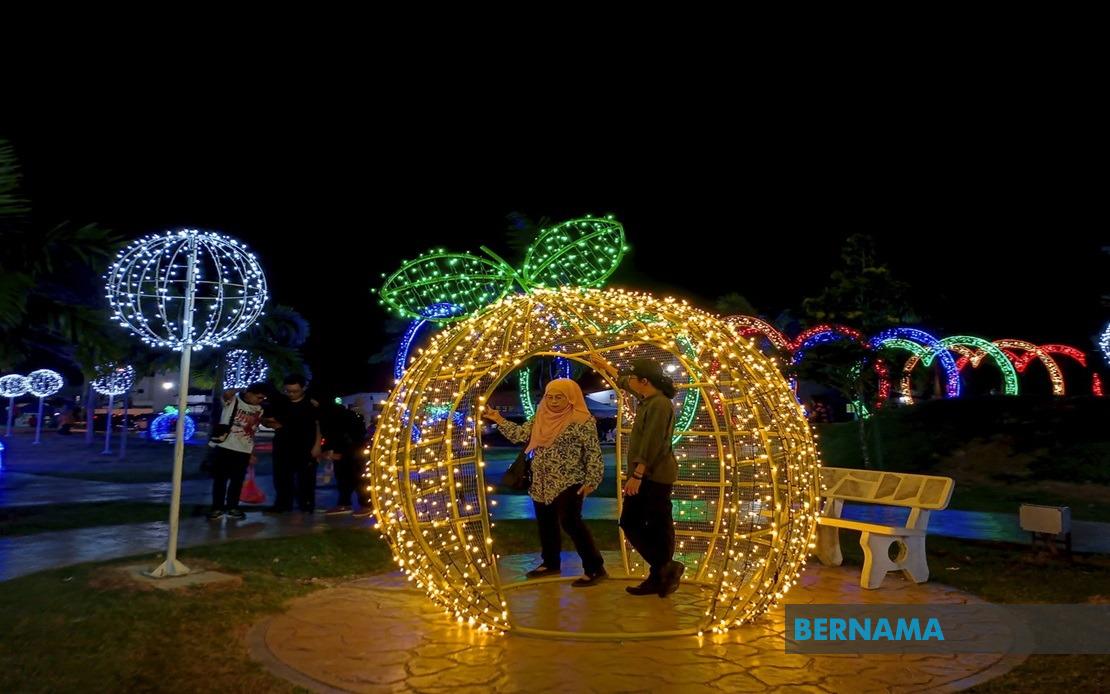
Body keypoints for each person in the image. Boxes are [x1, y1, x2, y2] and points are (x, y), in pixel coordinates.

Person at [482, 379, 607, 587]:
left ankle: (595, 568)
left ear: (570, 398)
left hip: (570, 480)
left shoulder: (582, 420)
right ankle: (550, 563)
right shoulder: (540, 417)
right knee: (546, 523)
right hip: (540, 480)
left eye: (560, 397)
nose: (554, 401)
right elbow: (520, 435)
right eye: (550, 397)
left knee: (571, 522)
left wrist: (592, 480)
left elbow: (593, 453)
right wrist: (497, 418)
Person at [588, 355, 683, 597]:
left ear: (644, 381)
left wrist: (638, 474)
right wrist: (603, 365)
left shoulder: (659, 405)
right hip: (648, 475)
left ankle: (664, 569)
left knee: (640, 523)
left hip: (654, 476)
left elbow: (653, 442)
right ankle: (661, 574)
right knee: (650, 525)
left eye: (633, 379)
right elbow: (623, 381)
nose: (628, 382)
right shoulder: (648, 399)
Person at [207, 383, 267, 520]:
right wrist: (241, 389)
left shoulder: (259, 409)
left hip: (244, 449)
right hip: (225, 445)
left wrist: (251, 452)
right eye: (258, 397)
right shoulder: (234, 400)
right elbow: (227, 394)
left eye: (263, 398)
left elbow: (253, 431)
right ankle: (217, 508)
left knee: (237, 480)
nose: (260, 400)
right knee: (220, 479)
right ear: (249, 393)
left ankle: (232, 507)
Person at [264, 375, 322, 513]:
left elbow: (318, 424)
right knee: (281, 477)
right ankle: (283, 504)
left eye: (295, 391)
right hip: (282, 445)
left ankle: (306, 504)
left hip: (306, 446)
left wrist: (317, 445)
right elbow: (266, 420)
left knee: (306, 478)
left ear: (303, 388)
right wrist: (270, 423)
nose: (291, 394)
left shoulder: (311, 403)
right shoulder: (280, 402)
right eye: (288, 391)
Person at [318, 396, 370, 515]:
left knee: (356, 476)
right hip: (349, 447)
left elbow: (335, 433)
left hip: (350, 448)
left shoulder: (332, 415)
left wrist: (332, 450)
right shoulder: (336, 413)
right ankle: (345, 503)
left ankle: (364, 504)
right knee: (345, 476)